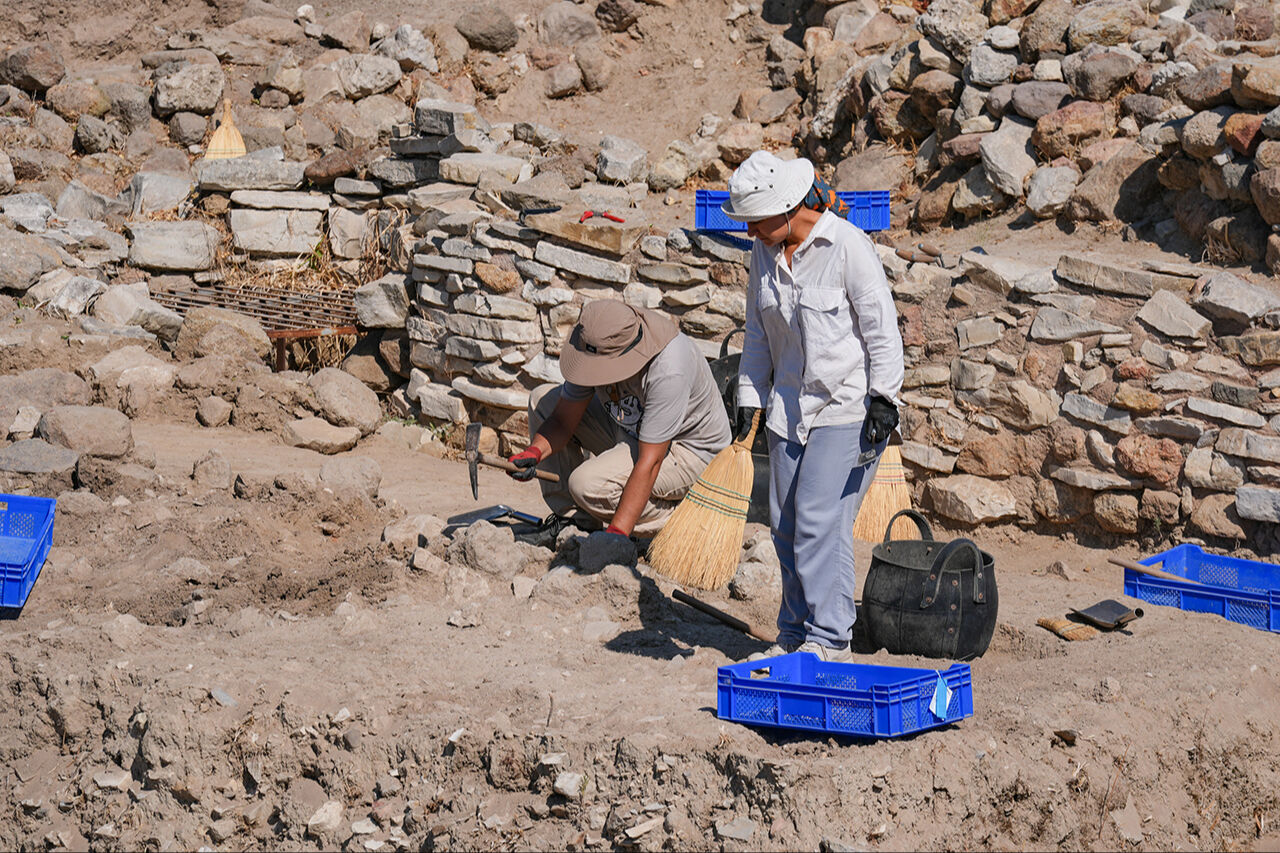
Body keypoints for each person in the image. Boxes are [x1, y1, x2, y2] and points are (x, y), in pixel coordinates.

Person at [723, 150, 904, 662]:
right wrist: (749, 394)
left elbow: (882, 331)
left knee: (819, 521)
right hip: (789, 409)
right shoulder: (763, 252)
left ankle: (830, 640)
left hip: (847, 407)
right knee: (783, 525)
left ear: (786, 209)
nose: (750, 231)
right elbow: (758, 333)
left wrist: (884, 399)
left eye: (756, 221)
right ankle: (795, 634)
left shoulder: (848, 247)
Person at [507, 299, 732, 539]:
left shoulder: (669, 368)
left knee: (587, 485)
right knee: (542, 401)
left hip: (688, 452)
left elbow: (651, 462)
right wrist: (534, 452)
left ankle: (686, 519)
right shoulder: (596, 342)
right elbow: (563, 420)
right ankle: (575, 522)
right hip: (632, 430)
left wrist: (616, 536)